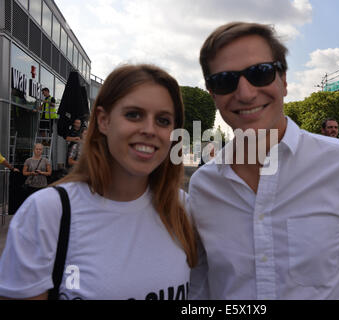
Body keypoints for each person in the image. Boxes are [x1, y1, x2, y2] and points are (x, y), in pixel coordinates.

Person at [188, 22, 339, 299]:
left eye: (260, 73)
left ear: (283, 80)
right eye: (224, 80)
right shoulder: (204, 186)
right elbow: (201, 287)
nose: (245, 93)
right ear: (213, 94)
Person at [0, 64, 197, 300]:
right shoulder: (46, 213)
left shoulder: (183, 209)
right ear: (103, 121)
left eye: (164, 121)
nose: (149, 130)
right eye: (133, 114)